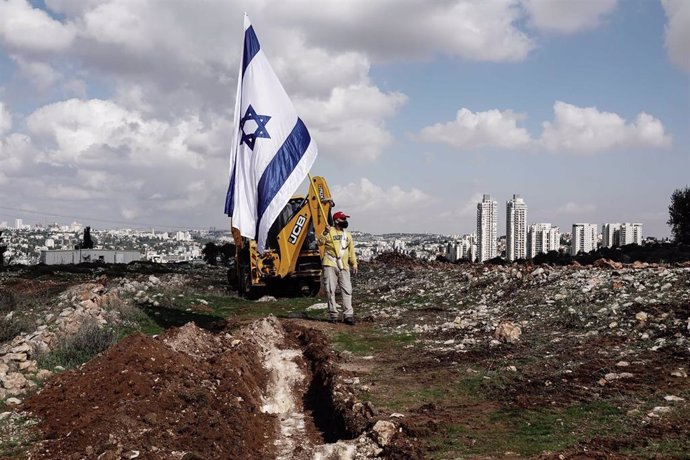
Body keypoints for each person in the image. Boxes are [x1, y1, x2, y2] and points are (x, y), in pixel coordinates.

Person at [318, 211, 358, 325]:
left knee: (347, 290)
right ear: (336, 221)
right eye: (343, 219)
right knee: (330, 290)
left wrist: (354, 263)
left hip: (344, 265)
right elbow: (319, 242)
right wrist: (325, 232)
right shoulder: (329, 231)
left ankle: (348, 315)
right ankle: (333, 314)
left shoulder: (348, 235)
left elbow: (351, 251)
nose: (345, 221)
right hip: (330, 263)